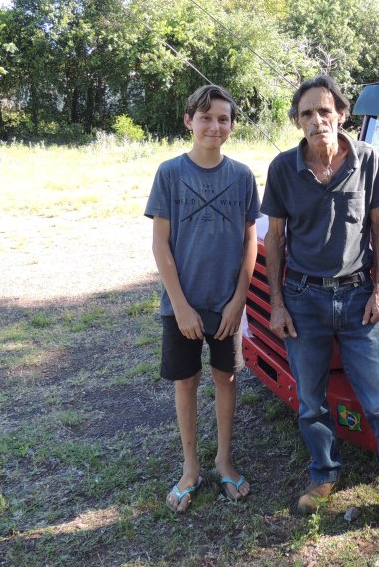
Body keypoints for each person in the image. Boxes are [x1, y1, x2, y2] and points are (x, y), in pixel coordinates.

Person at [261, 74, 379, 531]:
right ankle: (324, 474)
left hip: (358, 298)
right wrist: (277, 302)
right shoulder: (281, 169)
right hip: (303, 299)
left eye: (324, 110)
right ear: (297, 123)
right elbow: (275, 239)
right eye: (306, 114)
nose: (317, 120)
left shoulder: (367, 159)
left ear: (341, 114)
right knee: (311, 401)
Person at [145, 84, 259, 513]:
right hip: (182, 306)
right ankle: (190, 467)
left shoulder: (243, 176)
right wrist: (181, 306)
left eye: (223, 118)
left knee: (226, 379)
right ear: (189, 121)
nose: (215, 125)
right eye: (206, 117)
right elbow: (161, 246)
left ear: (231, 125)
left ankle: (224, 461)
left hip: (226, 305)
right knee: (186, 381)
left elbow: (251, 243)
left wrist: (238, 302)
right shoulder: (170, 174)